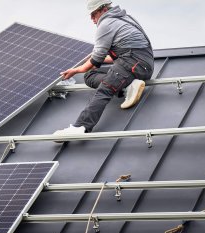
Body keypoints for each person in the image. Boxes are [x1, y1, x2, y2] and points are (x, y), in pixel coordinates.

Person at [54, 0, 154, 136]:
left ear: (104, 10)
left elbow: (96, 59)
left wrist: (77, 70)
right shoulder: (123, 18)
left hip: (133, 63)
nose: (92, 19)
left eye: (94, 14)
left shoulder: (106, 24)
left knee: (104, 90)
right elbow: (112, 56)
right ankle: (127, 86)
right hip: (140, 64)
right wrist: (85, 63)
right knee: (90, 75)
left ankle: (80, 127)